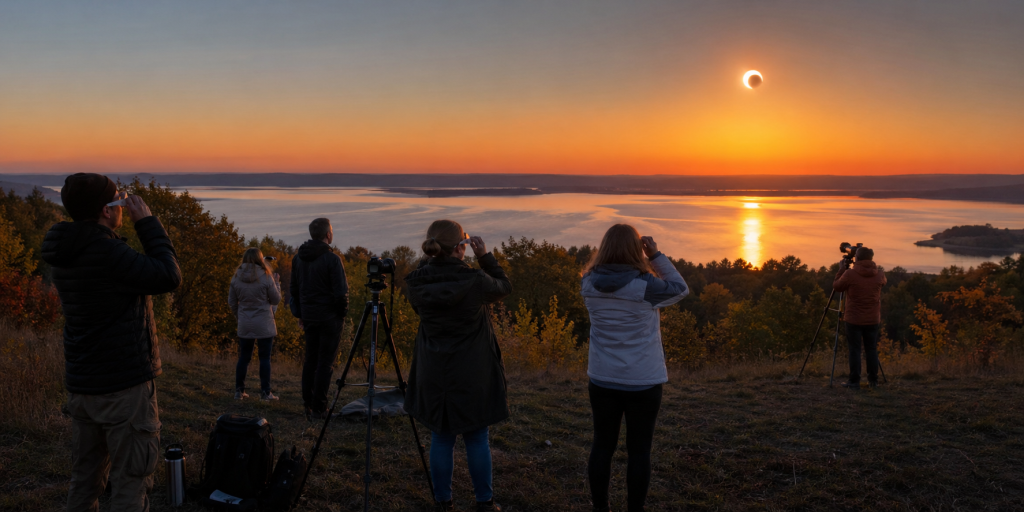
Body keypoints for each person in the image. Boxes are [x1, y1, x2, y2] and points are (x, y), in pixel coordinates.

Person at [41, 173, 182, 512]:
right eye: (119, 200)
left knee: (85, 479)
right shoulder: (106, 251)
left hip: (84, 383)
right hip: (123, 386)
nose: (123, 206)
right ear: (106, 210)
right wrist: (147, 223)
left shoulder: (66, 249)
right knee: (130, 482)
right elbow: (168, 274)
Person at [404, 220, 512, 512]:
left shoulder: (415, 282)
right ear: (460, 248)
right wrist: (485, 257)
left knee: (441, 436)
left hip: (434, 367)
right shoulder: (474, 280)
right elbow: (504, 287)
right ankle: (484, 503)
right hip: (472, 369)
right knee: (477, 436)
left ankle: (443, 502)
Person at [580, 224, 689, 512]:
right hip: (643, 380)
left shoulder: (587, 283)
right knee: (639, 450)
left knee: (602, 446)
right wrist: (655, 256)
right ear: (635, 250)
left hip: (603, 378)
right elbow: (680, 289)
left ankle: (600, 508)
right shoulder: (645, 287)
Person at [290, 217, 349, 420]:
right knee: (325, 363)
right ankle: (320, 408)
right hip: (330, 318)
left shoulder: (298, 258)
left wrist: (300, 314)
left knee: (310, 360)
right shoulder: (332, 260)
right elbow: (341, 293)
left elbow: (294, 290)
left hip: (309, 317)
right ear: (328, 235)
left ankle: (309, 403)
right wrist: (341, 314)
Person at [229, 247, 282, 401]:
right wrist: (277, 283)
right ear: (260, 259)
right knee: (264, 358)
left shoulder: (236, 277)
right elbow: (276, 300)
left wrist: (239, 316)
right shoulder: (266, 277)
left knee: (244, 358)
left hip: (245, 322)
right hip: (264, 322)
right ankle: (266, 393)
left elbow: (232, 302)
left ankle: (239, 391)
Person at [834, 246, 887, 389]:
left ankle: (854, 381)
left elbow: (837, 286)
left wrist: (841, 269)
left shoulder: (850, 274)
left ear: (857, 258)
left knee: (855, 350)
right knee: (871, 349)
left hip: (854, 319)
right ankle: (873, 381)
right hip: (872, 319)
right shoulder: (880, 274)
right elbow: (883, 282)